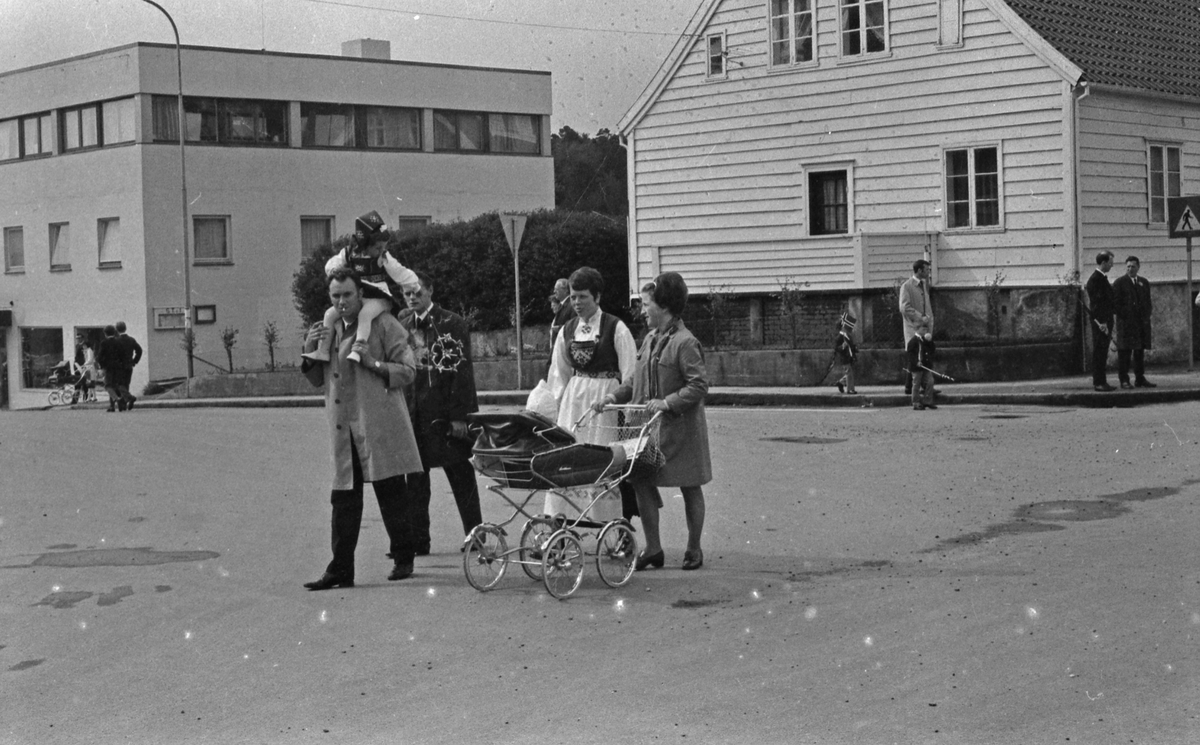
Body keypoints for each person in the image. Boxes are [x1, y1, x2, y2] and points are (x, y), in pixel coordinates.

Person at [300, 269, 424, 590]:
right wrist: (309, 351)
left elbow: (408, 370)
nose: (341, 302)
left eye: (347, 295)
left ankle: (403, 556)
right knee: (343, 497)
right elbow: (318, 379)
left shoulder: (383, 324)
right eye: (335, 296)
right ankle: (341, 569)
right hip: (344, 428)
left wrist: (373, 364)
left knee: (391, 491)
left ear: (361, 295)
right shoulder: (329, 328)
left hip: (378, 423)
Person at [600, 272, 711, 571]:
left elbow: (699, 385)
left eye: (647, 304)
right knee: (639, 480)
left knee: (690, 485)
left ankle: (694, 548)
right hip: (648, 429)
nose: (642, 309)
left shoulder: (685, 342)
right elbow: (636, 378)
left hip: (680, 430)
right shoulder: (650, 339)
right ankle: (654, 549)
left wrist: (668, 402)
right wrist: (613, 396)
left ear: (663, 306)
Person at [398, 271, 483, 556]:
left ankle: (476, 536)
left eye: (417, 291)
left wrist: (461, 416)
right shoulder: (402, 322)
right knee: (415, 480)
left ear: (430, 290)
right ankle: (418, 541)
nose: (412, 297)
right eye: (407, 293)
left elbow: (462, 372)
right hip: (413, 413)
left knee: (460, 473)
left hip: (445, 413)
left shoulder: (451, 323)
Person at [545, 267, 638, 521]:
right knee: (567, 459)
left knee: (602, 460)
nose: (576, 303)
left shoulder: (615, 327)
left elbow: (630, 373)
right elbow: (558, 374)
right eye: (573, 297)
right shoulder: (567, 330)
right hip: (574, 403)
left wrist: (626, 413)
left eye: (583, 297)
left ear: (597, 297)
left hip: (604, 405)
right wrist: (553, 413)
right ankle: (559, 523)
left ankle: (609, 523)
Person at [303, 210, 418, 364]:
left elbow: (399, 272)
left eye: (383, 247)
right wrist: (335, 271)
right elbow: (332, 264)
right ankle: (323, 351)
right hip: (359, 296)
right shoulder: (349, 253)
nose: (381, 251)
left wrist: (413, 284)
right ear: (365, 245)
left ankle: (358, 349)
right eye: (378, 247)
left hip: (379, 297)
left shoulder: (384, 257)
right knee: (330, 314)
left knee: (365, 314)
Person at [1111, 255, 1155, 389]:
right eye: (1128, 267)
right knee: (1124, 353)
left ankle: (1140, 379)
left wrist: (1146, 317)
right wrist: (1126, 316)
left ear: (1138, 267)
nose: (1130, 269)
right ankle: (1124, 380)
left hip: (1140, 324)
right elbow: (1115, 304)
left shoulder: (1143, 282)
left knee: (1139, 352)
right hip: (1126, 324)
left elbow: (1148, 302)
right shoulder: (1119, 282)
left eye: (1133, 266)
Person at [899, 259, 933, 395]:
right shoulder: (907, 286)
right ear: (919, 270)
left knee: (922, 354)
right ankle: (919, 386)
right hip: (913, 327)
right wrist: (920, 317)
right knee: (916, 355)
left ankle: (917, 386)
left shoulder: (923, 285)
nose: (928, 272)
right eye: (926, 269)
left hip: (923, 327)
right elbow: (904, 307)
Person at [1085, 251, 1116, 391]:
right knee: (1099, 351)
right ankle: (1098, 382)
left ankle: (1102, 381)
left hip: (1105, 320)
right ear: (1103, 263)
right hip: (1101, 322)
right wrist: (1102, 322)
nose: (1112, 265)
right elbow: (1097, 304)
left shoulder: (1101, 278)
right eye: (1110, 262)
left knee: (1102, 352)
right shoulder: (1095, 280)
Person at [96, 325, 125, 412]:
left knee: (108, 385)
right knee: (115, 385)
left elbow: (100, 356)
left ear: (105, 333)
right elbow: (122, 355)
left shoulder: (104, 343)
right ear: (114, 332)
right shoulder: (118, 342)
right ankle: (114, 406)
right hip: (118, 367)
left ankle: (117, 399)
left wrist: (101, 366)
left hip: (108, 367)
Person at [114, 320, 142, 410]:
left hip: (119, 366)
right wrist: (134, 361)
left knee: (118, 385)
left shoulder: (116, 341)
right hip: (129, 365)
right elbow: (139, 350)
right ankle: (124, 403)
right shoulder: (131, 340)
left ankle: (129, 398)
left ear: (116, 329)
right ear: (125, 328)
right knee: (126, 384)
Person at [907, 328, 938, 410]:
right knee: (916, 384)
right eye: (923, 330)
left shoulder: (925, 340)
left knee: (930, 381)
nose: (925, 332)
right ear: (918, 330)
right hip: (917, 367)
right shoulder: (913, 341)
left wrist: (930, 341)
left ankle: (928, 401)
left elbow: (932, 350)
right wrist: (916, 362)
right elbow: (910, 355)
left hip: (925, 366)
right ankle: (916, 402)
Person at [832, 311, 858, 394]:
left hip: (849, 357)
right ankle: (850, 389)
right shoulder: (840, 337)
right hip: (844, 358)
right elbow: (836, 348)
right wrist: (843, 346)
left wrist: (855, 348)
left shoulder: (847, 336)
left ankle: (841, 382)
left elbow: (851, 346)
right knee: (849, 372)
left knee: (850, 372)